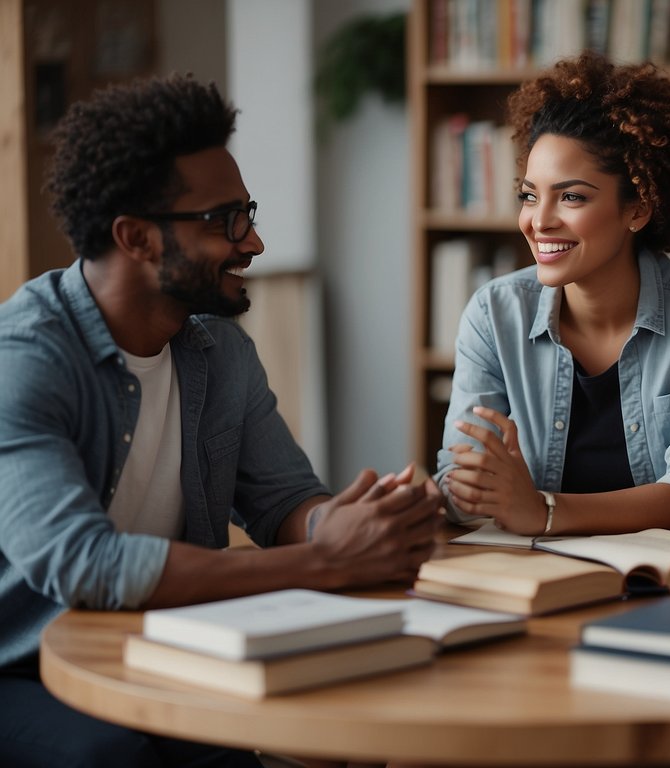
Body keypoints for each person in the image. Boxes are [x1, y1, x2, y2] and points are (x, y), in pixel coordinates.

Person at [0, 74, 442, 767]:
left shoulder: (219, 351)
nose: (254, 241)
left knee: (348, 712)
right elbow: (85, 566)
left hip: (163, 640)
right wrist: (323, 561)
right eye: (224, 220)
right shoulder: (24, 360)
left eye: (249, 213)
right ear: (137, 237)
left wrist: (360, 523)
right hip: (21, 661)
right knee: (113, 755)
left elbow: (284, 499)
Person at [435, 52, 670, 536]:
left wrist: (542, 511)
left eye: (571, 196)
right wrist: (441, 495)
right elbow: (463, 481)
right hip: (530, 577)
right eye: (529, 194)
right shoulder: (493, 312)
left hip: (662, 582)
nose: (539, 220)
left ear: (638, 209)